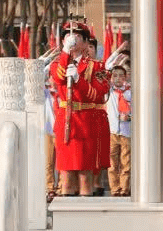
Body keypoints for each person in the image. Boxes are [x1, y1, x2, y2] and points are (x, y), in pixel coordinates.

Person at [50, 20, 109, 197]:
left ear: (85, 43)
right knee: (66, 175)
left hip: (85, 122)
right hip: (66, 121)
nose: (72, 40)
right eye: (67, 36)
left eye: (76, 37)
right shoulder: (57, 63)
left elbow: (98, 94)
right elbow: (60, 77)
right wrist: (65, 53)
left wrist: (79, 80)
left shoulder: (96, 66)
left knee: (85, 175)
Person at [105, 62, 131, 198]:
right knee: (112, 162)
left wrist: (130, 116)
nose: (118, 79)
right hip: (112, 131)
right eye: (115, 76)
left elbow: (137, 110)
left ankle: (124, 188)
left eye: (121, 76)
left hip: (127, 131)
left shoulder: (130, 92)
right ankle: (115, 189)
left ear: (126, 77)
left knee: (126, 161)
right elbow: (105, 70)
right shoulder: (109, 91)